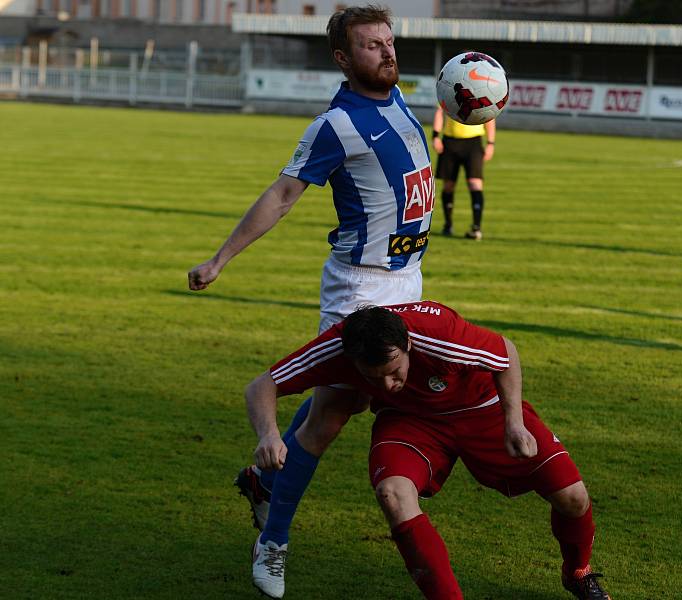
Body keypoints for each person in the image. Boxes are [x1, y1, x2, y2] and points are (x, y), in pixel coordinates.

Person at [187, 5, 434, 597]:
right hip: (362, 289)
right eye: (372, 45)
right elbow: (283, 193)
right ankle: (271, 543)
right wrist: (220, 259)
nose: (387, 52)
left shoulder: (398, 99)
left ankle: (261, 480)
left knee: (340, 404)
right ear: (344, 59)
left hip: (407, 280)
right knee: (326, 417)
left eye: (389, 40)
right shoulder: (336, 124)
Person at [249, 301, 612, 600]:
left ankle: (577, 572)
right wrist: (268, 433)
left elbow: (505, 352)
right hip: (409, 422)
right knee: (392, 493)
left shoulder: (439, 334)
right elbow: (261, 386)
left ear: (407, 345)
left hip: (479, 408)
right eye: (373, 379)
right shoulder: (337, 346)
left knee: (573, 498)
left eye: (394, 372)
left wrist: (513, 421)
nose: (388, 384)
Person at [432, 105, 495, 240]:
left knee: (475, 184)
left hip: (473, 143)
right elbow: (440, 111)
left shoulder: (480, 93)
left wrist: (491, 143)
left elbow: (490, 117)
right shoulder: (450, 89)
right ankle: (448, 225)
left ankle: (476, 228)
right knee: (448, 185)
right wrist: (435, 136)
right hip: (450, 142)